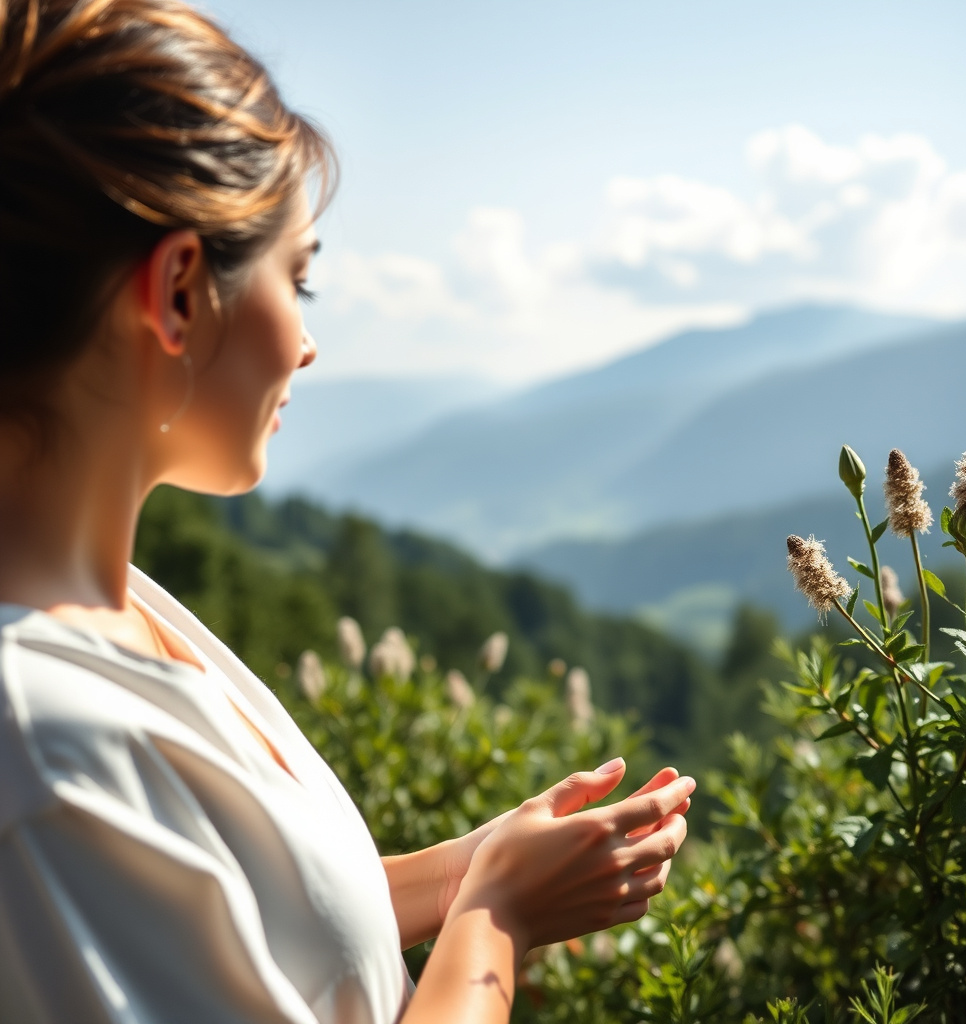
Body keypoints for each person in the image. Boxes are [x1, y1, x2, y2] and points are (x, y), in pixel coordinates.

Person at [0, 1, 696, 1021]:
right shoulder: (42, 749)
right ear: (180, 292)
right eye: (300, 280)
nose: (309, 344)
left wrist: (470, 866)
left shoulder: (113, 610)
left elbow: (246, 915)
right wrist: (494, 920)